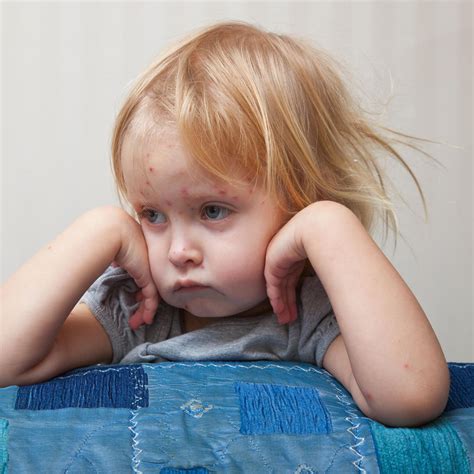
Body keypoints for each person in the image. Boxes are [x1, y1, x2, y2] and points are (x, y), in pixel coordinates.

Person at [1, 21, 449, 427]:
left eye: (213, 210)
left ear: (299, 204)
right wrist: (99, 229)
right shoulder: (142, 312)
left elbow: (410, 398)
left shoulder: (310, 315)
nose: (178, 252)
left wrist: (329, 225)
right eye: (152, 215)